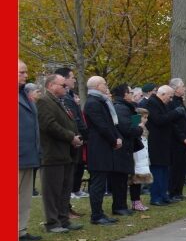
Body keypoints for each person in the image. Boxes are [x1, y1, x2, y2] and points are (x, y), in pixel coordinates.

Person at [36, 74, 84, 233]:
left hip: (66, 153)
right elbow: (49, 125)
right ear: (51, 85)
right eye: (63, 85)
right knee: (52, 190)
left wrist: (76, 137)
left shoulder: (60, 102)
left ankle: (64, 219)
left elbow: (69, 121)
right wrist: (71, 137)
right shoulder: (44, 101)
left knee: (64, 189)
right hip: (53, 153)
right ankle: (52, 222)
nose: (66, 87)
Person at [83, 76, 122, 225]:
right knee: (98, 183)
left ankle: (99, 213)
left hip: (105, 146)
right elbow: (101, 126)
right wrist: (114, 139)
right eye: (104, 84)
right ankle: (96, 215)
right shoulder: (93, 103)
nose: (107, 86)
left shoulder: (102, 101)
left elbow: (111, 124)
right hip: (98, 147)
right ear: (98, 86)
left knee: (101, 181)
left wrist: (117, 137)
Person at [146, 85, 186, 205]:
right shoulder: (152, 103)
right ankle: (156, 197)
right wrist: (175, 113)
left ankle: (164, 195)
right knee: (157, 170)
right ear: (162, 94)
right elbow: (158, 120)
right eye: (170, 96)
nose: (171, 99)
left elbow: (168, 120)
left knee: (164, 170)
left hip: (165, 143)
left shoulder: (163, 104)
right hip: (156, 143)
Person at [54, 67, 89, 200]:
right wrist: (83, 133)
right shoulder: (65, 99)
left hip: (76, 137)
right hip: (72, 138)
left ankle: (73, 193)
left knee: (77, 166)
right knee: (72, 169)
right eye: (72, 77)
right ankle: (71, 193)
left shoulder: (69, 97)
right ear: (64, 79)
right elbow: (74, 119)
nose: (74, 79)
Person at [18, 59, 42, 241]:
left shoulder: (24, 95)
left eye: (25, 72)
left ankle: (21, 230)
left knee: (25, 196)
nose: (26, 76)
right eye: (21, 72)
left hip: (28, 154)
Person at [112, 84, 144, 215]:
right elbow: (127, 129)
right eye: (130, 92)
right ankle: (119, 206)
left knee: (123, 178)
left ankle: (122, 205)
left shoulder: (125, 107)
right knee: (119, 179)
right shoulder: (121, 108)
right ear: (125, 94)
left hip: (126, 148)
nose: (132, 94)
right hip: (122, 149)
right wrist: (140, 127)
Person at [168, 78, 186, 201]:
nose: (184, 88)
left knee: (182, 167)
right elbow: (173, 124)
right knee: (175, 168)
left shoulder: (180, 101)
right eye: (182, 86)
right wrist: (183, 137)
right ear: (175, 88)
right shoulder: (172, 102)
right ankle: (173, 192)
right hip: (176, 141)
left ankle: (179, 192)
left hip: (185, 139)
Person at [130, 107, 152, 211]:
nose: (146, 120)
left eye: (146, 117)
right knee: (135, 180)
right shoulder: (136, 128)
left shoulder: (144, 128)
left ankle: (137, 200)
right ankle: (135, 201)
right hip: (137, 157)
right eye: (144, 117)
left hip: (143, 156)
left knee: (139, 180)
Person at [24, 83, 42, 197]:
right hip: (28, 143)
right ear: (29, 92)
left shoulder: (36, 104)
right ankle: (29, 189)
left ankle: (31, 188)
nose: (39, 94)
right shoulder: (27, 105)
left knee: (34, 167)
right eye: (37, 92)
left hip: (36, 142)